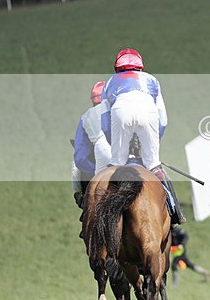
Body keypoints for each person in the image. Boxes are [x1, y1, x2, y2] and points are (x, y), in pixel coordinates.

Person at [101, 48, 186, 225]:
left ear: (118, 67)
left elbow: (105, 123)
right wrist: (153, 141)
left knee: (115, 165)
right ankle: (175, 210)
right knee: (154, 165)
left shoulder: (109, 83)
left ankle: (100, 215)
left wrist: (115, 144)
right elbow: (162, 120)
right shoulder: (152, 80)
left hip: (120, 113)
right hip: (148, 114)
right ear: (140, 67)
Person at [72, 80, 112, 208]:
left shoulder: (86, 117)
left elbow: (80, 157)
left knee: (75, 167)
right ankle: (172, 207)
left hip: (102, 154)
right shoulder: (121, 109)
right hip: (127, 151)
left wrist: (93, 170)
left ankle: (80, 197)